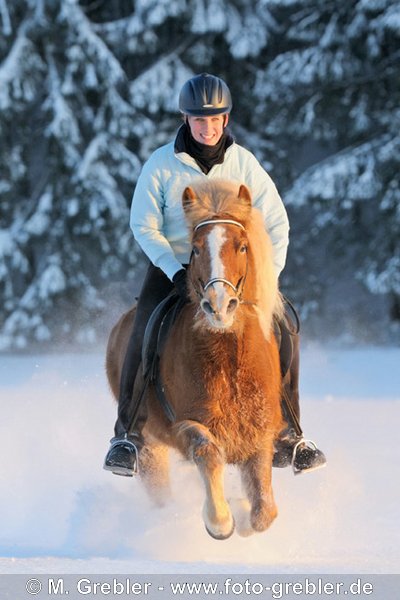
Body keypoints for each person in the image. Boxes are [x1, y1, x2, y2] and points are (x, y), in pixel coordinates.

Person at [104, 73, 326, 477]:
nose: (207, 128)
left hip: (235, 274)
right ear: (185, 120)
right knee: (142, 330)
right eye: (199, 120)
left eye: (215, 119)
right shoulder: (161, 164)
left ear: (226, 120)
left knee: (284, 326)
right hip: (176, 268)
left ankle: (289, 432)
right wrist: (174, 270)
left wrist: (265, 276)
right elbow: (143, 224)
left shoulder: (245, 163)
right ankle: (128, 436)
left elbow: (277, 223)